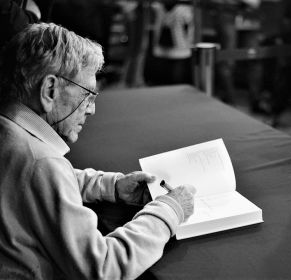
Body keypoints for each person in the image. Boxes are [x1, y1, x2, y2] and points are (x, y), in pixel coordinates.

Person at [0, 23, 196, 279]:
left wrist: (110, 186)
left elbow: (31, 184)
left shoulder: (9, 129)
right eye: (87, 95)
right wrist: (170, 209)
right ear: (49, 89)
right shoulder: (42, 163)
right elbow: (103, 268)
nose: (91, 109)